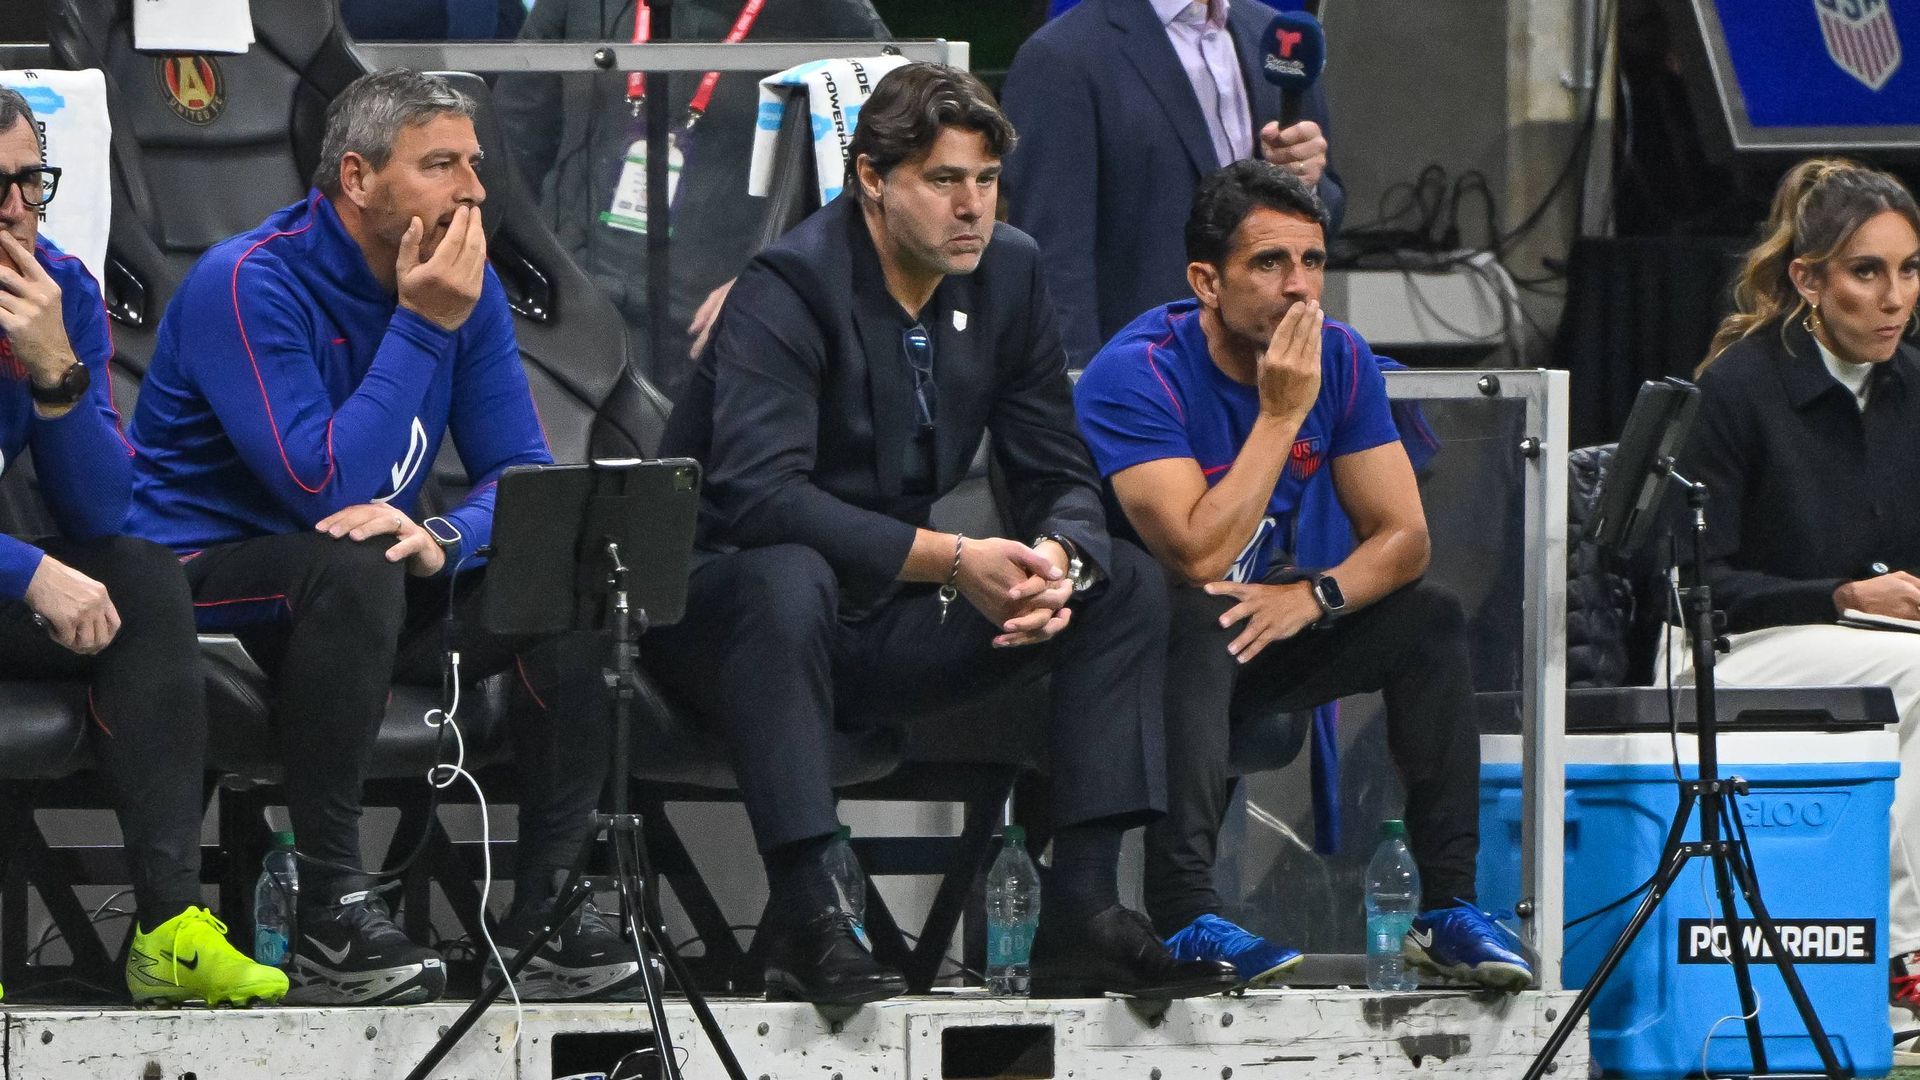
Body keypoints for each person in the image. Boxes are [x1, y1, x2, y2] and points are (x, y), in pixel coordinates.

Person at [646, 62, 1238, 1004]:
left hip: (879, 618)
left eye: (987, 180)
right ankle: (810, 912)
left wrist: (1058, 561)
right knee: (788, 575)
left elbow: (1056, 469)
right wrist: (955, 561)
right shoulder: (788, 286)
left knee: (1122, 580)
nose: (973, 208)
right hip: (722, 623)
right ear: (872, 180)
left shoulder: (1010, 270)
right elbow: (760, 497)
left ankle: (1083, 911)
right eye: (944, 180)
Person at [124, 70, 638, 1006]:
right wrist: (421, 324)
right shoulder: (249, 281)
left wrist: (445, 535)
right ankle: (332, 909)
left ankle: (546, 916)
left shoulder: (462, 285)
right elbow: (324, 486)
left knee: (567, 571)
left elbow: (526, 482)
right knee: (354, 564)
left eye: (474, 165)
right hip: (204, 587)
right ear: (358, 178)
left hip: (363, 584)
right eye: (441, 165)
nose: (474, 192)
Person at [1073, 159, 1533, 991]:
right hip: (1122, 656)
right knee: (1203, 609)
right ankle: (1184, 915)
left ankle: (1448, 909)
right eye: (1269, 263)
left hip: (1254, 626)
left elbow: (1404, 538)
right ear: (1206, 282)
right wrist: (1281, 412)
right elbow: (1196, 556)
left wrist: (1315, 598)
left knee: (1428, 619)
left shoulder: (1340, 357)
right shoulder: (1136, 372)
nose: (1299, 287)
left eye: (1313, 261)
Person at [0, 87, 287, 1007]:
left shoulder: (59, 292)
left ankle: (166, 928)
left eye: (30, 182)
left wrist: (54, 371)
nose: (16, 209)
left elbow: (101, 510)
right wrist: (28, 571)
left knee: (140, 573)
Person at [1665, 158, 1920, 1049]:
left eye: (1910, 270)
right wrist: (1841, 595)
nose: (1895, 298)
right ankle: (1903, 960)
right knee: (1915, 672)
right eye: (1867, 272)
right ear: (1808, 280)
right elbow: (1693, 582)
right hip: (1727, 645)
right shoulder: (1739, 387)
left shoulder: (1912, 385)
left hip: (1866, 642)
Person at [495, 0, 891, 393]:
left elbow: (875, 180)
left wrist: (774, 281)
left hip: (724, 325)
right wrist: (534, 279)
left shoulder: (831, 14)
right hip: (579, 305)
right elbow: (511, 147)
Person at [1000, 0, 1345, 368]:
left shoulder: (1279, 36)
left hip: (1278, 365)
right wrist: (1077, 388)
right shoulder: (1061, 56)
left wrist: (1306, 184)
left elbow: (1330, 210)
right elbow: (1056, 261)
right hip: (1147, 372)